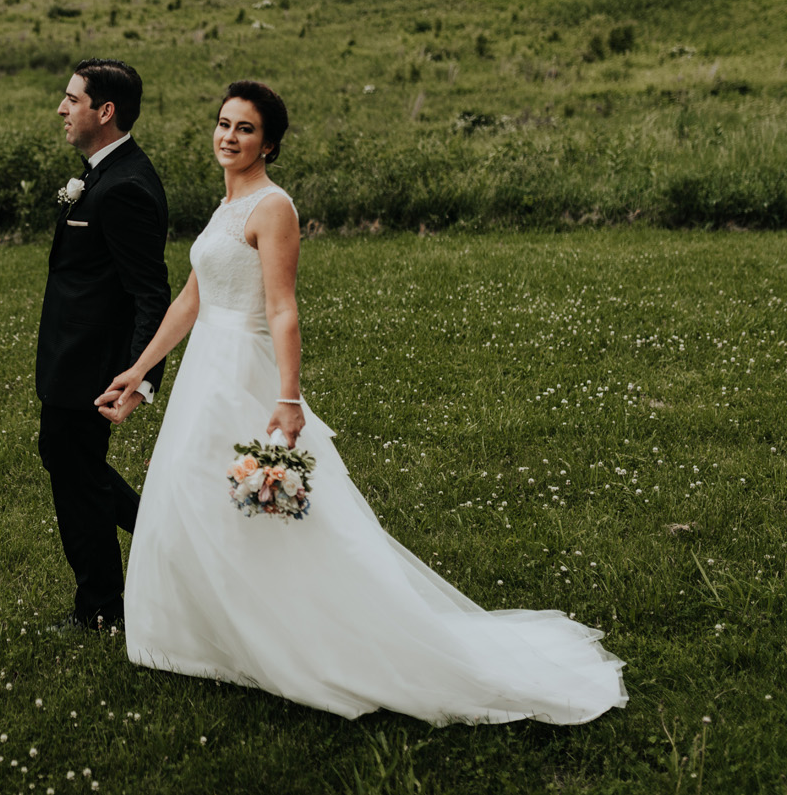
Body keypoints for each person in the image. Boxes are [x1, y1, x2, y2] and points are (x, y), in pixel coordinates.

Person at [97, 81, 627, 725]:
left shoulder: (273, 207)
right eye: (223, 124)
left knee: (268, 511)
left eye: (245, 129)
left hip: (244, 373)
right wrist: (138, 368)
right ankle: (212, 635)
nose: (229, 136)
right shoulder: (224, 206)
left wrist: (287, 397)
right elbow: (192, 298)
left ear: (271, 144)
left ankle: (311, 638)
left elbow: (284, 308)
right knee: (193, 497)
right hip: (203, 369)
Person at [36, 59, 170, 632]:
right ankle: (165, 538)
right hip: (72, 360)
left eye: (72, 99)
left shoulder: (126, 187)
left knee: (75, 472)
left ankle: (99, 608)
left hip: (93, 368)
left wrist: (138, 377)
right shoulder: (100, 173)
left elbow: (151, 293)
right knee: (72, 462)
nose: (62, 109)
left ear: (104, 111)